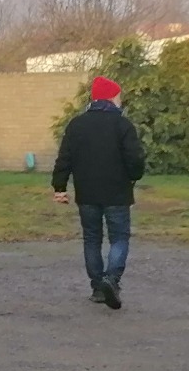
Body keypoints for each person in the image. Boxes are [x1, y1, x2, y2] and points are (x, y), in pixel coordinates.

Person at [51, 75, 145, 309]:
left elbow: (64, 158)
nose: (121, 101)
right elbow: (135, 158)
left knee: (92, 239)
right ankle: (111, 279)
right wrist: (134, 175)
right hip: (117, 193)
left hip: (87, 193)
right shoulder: (123, 125)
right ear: (111, 98)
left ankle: (97, 287)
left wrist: (59, 187)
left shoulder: (76, 125)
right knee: (119, 238)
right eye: (119, 96)